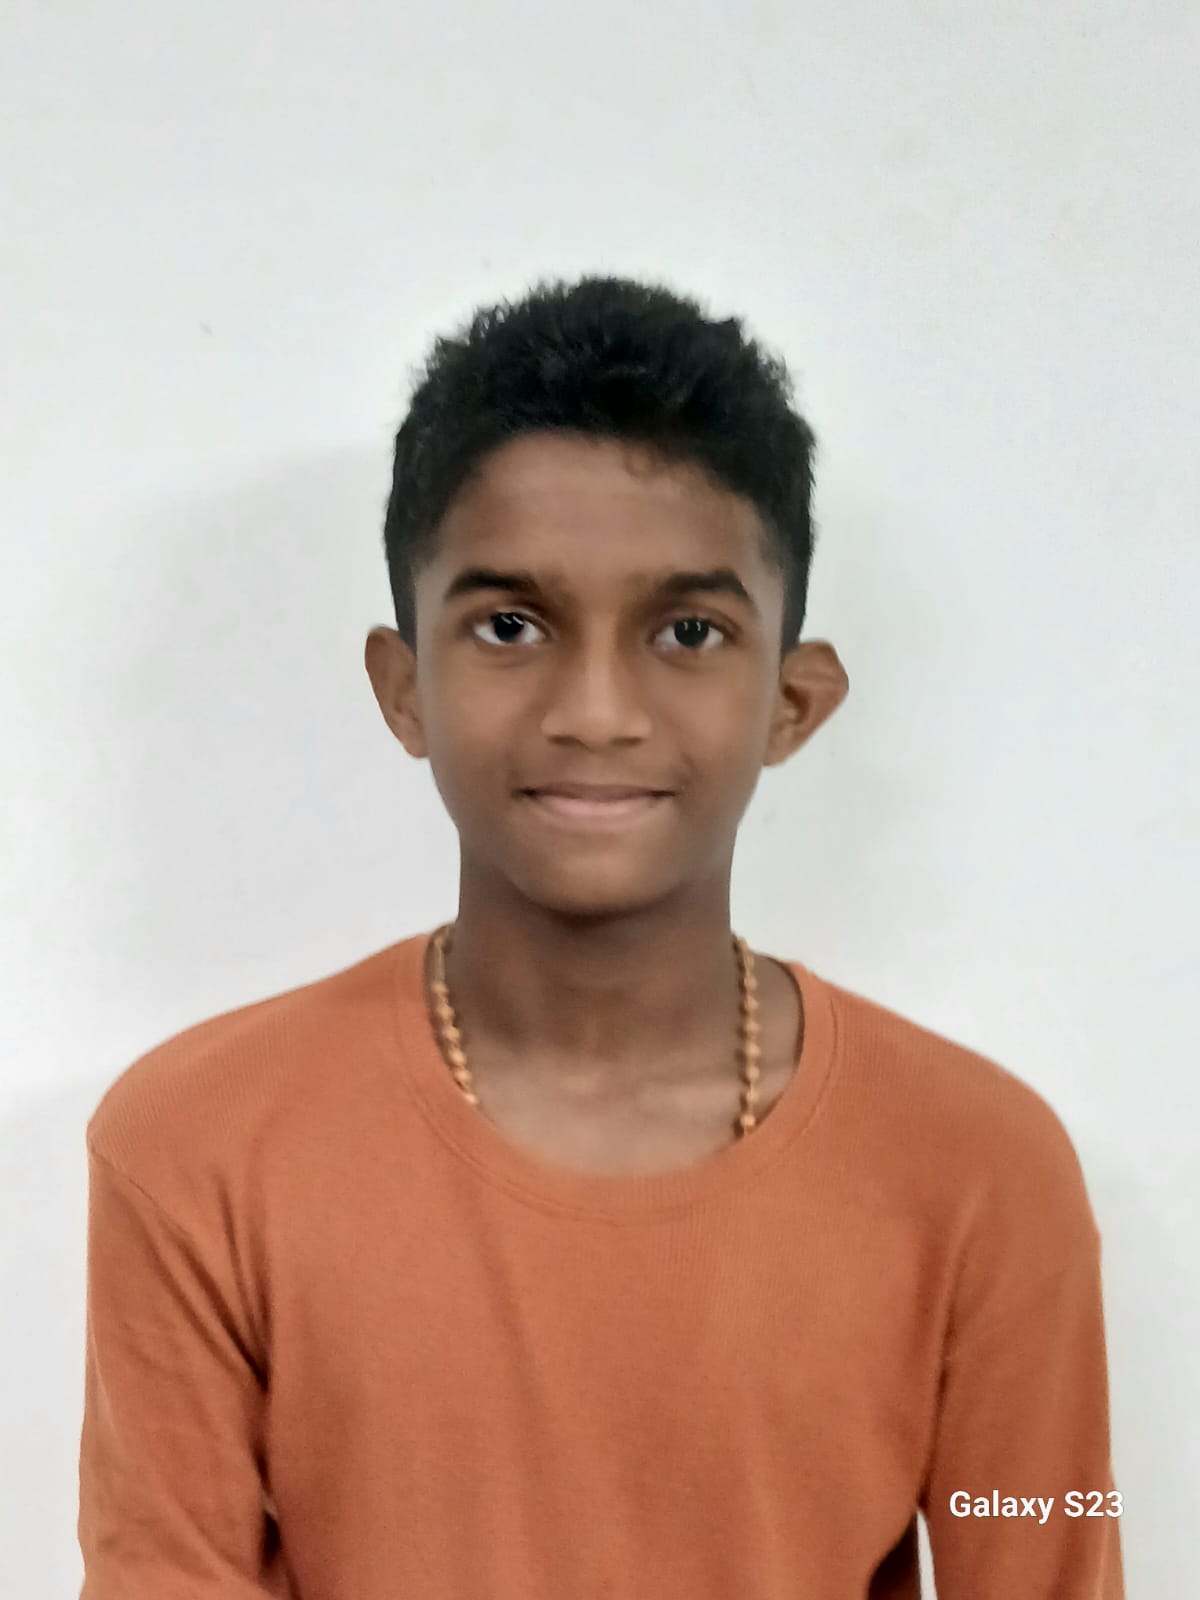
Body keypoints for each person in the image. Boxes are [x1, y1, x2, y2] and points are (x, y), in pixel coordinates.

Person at [78, 273, 1124, 1598]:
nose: (596, 710)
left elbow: (1043, 1551)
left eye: (687, 631)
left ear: (793, 703)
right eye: (510, 625)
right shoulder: (196, 1146)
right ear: (404, 688)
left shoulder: (983, 1172)